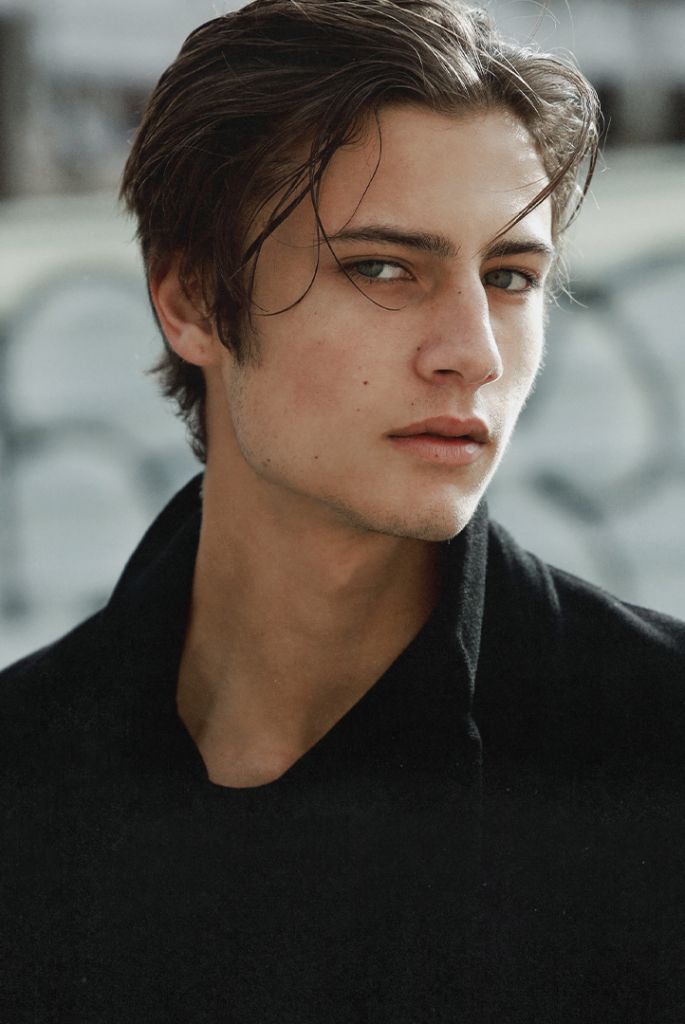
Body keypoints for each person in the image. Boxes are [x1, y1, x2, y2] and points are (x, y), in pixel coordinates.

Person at [2, 1, 684, 1021]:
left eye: (509, 277)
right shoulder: (26, 774)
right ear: (192, 299)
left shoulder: (655, 750)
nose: (472, 353)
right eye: (382, 268)